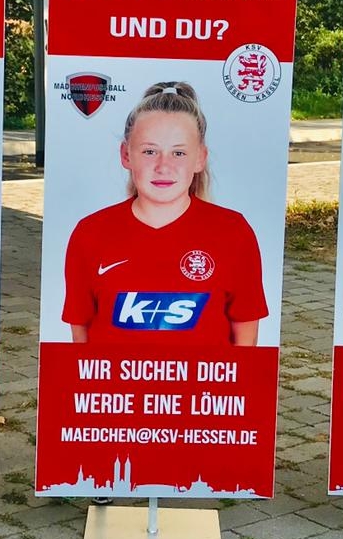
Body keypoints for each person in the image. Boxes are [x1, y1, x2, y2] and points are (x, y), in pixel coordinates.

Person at [63, 81, 266, 345]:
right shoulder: (90, 233)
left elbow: (246, 342)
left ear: (200, 158)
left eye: (178, 153)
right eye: (150, 151)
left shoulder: (233, 232)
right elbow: (81, 342)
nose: (163, 166)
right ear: (126, 155)